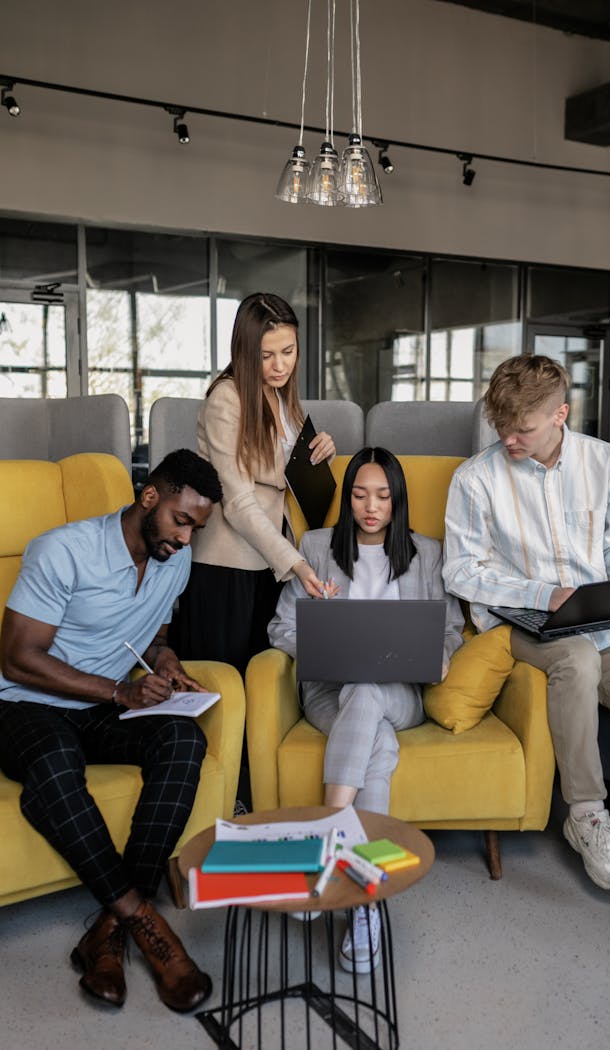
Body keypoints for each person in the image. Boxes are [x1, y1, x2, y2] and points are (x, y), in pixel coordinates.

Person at [442, 354, 610, 894]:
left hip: (602, 620)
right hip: (525, 622)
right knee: (574, 660)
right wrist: (541, 592)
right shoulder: (475, 478)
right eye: (501, 427)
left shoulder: (605, 461)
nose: (509, 439)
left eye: (522, 429)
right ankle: (588, 816)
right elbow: (460, 571)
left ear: (561, 414)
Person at [0, 449, 224, 1011]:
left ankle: (107, 933)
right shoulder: (62, 551)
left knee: (183, 739)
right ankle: (151, 929)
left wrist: (166, 664)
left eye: (197, 527)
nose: (186, 538)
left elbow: (151, 638)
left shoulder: (175, 561)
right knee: (54, 760)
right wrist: (120, 692)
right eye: (181, 520)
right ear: (151, 496)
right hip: (24, 703)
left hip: (99, 705)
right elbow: (17, 658)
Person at [269, 447, 464, 972]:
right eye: (358, 494)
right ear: (347, 498)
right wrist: (324, 640)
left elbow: (450, 629)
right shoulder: (314, 547)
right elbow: (280, 628)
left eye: (382, 495)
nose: (370, 506)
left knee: (372, 687)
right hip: (331, 694)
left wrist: (441, 657)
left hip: (400, 694)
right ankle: (366, 903)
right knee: (369, 717)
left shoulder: (428, 553)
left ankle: (327, 841)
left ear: (398, 499)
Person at [176, 292, 336, 677]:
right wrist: (296, 563)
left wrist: (322, 451)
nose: (280, 365)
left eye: (288, 351)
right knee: (225, 681)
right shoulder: (227, 399)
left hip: (269, 557)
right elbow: (239, 502)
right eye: (267, 356)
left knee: (263, 680)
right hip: (227, 563)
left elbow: (284, 469)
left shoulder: (283, 397)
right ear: (245, 351)